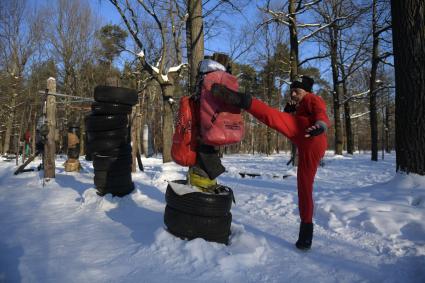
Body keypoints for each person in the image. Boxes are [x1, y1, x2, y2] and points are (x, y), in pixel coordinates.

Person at [211, 75, 330, 250]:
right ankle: (306, 236)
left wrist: (321, 125)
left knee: (272, 116)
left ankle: (241, 100)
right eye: (292, 92)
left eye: (297, 91)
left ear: (306, 91)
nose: (293, 95)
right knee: (304, 188)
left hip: (311, 135)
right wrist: (290, 111)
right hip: (309, 145)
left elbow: (321, 112)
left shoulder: (312, 98)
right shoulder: (300, 107)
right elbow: (292, 117)